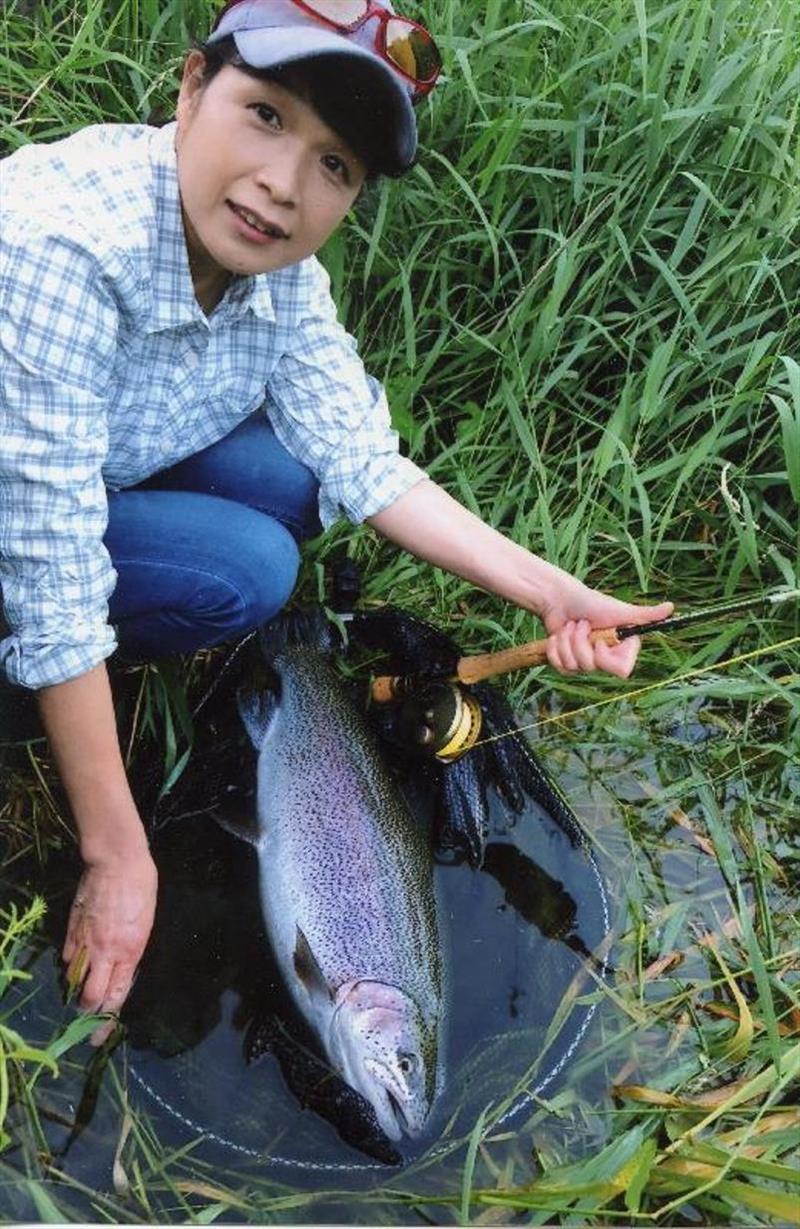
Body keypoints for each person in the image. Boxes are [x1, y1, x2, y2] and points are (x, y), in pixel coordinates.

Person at [0, 0, 672, 1045]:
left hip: (82, 460)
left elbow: (367, 464)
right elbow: (49, 571)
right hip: (21, 507)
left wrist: (552, 595)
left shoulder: (283, 283)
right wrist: (115, 849)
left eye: (335, 166)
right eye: (263, 114)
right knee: (251, 567)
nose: (284, 183)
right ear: (188, 89)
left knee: (292, 476)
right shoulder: (57, 243)